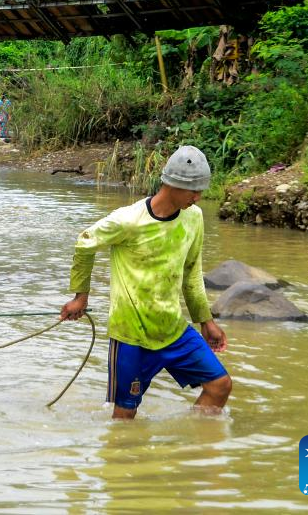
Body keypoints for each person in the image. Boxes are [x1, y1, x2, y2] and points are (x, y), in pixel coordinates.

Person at [60, 145, 232, 419]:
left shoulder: (194, 217)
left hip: (173, 329)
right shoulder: (128, 220)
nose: (198, 197)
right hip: (131, 336)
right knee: (125, 416)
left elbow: (191, 271)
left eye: (201, 190)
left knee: (220, 385)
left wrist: (205, 321)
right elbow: (85, 242)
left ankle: (195, 440)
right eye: (193, 190)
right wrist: (81, 297)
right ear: (171, 184)